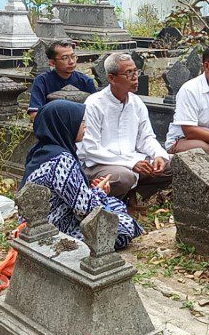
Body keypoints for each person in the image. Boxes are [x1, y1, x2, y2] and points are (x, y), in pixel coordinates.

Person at [23, 101, 143, 249]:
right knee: (126, 227)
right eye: (80, 122)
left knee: (114, 204)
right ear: (65, 125)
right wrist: (99, 192)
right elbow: (84, 210)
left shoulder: (40, 151)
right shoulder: (62, 160)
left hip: (32, 227)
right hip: (55, 230)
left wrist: (93, 192)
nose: (85, 126)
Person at [79, 53, 171, 200]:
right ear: (112, 78)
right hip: (99, 164)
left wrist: (158, 155)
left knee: (174, 164)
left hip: (133, 158)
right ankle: (111, 202)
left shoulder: (136, 103)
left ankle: (134, 196)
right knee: (124, 177)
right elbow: (90, 149)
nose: (135, 77)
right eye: (128, 73)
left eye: (136, 71)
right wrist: (131, 163)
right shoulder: (94, 104)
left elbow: (146, 137)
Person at [27, 40, 97, 121]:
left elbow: (95, 112)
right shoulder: (42, 81)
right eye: (65, 58)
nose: (71, 62)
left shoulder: (86, 81)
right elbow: (34, 115)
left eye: (73, 56)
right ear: (52, 62)